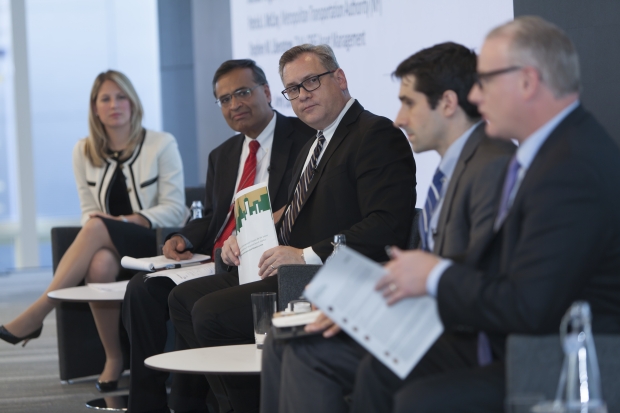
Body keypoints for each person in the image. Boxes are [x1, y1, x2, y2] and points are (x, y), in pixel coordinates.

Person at [351, 16, 620, 413]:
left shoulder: (571, 167)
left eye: (485, 81)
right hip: (528, 340)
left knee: (420, 401)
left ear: (527, 81)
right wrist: (418, 275)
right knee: (380, 372)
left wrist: (436, 276)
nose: (475, 96)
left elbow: (528, 303)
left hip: (568, 360)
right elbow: (503, 266)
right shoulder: (552, 152)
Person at [259, 41, 516, 413]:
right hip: (430, 317)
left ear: (447, 103)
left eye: (408, 103)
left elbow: (478, 278)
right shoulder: (459, 168)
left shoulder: (491, 166)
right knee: (282, 342)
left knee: (307, 353)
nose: (399, 118)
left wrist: (370, 307)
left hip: (466, 338)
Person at [168, 44, 416, 413]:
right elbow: (296, 215)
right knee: (182, 299)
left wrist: (305, 254)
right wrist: (246, 238)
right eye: (293, 89)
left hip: (335, 277)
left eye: (311, 82)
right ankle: (235, 404)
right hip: (291, 272)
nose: (302, 96)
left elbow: (386, 226)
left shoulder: (374, 134)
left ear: (340, 79)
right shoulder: (313, 143)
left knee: (210, 313)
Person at [121, 59, 314, 413]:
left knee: (188, 301)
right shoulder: (222, 155)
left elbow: (300, 208)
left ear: (267, 92)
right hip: (213, 256)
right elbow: (213, 216)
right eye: (224, 99)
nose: (234, 104)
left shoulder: (303, 139)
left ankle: (192, 401)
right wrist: (184, 238)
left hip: (255, 259)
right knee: (140, 290)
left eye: (243, 92)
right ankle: (147, 404)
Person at [0, 70, 187, 392]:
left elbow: (174, 208)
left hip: (154, 241)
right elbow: (89, 209)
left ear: (133, 103)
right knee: (99, 263)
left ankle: (39, 311)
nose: (114, 104)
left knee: (99, 225)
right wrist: (105, 225)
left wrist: (124, 222)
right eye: (106, 98)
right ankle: (114, 358)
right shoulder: (83, 151)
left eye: (121, 97)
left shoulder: (161, 143)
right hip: (107, 242)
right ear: (95, 108)